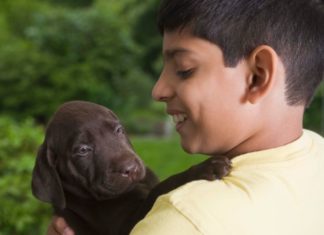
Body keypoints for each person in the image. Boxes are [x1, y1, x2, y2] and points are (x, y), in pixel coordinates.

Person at [48, 0, 324, 234]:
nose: (158, 90)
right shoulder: (316, 152)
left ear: (257, 75)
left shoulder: (182, 221)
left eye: (184, 69)